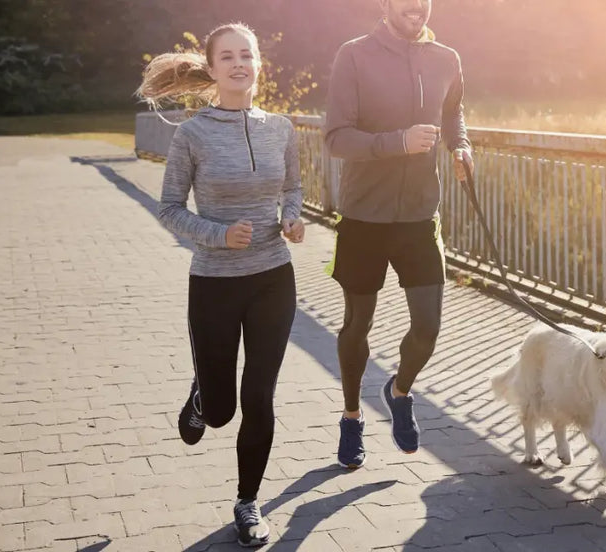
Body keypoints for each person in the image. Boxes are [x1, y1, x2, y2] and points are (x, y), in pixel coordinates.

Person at [135, 21, 304, 548]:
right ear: (211, 69)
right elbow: (167, 209)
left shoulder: (280, 127)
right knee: (223, 410)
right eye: (227, 56)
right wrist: (217, 234)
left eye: (247, 55)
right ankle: (203, 399)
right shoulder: (192, 134)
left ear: (258, 64)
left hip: (273, 279)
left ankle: (247, 502)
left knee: (259, 397)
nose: (239, 64)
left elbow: (294, 187)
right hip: (214, 283)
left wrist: (294, 218)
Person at [321, 0, 472, 469]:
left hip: (419, 217)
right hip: (364, 217)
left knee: (428, 327)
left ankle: (399, 390)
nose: (415, 6)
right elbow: (335, 138)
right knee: (357, 325)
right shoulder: (354, 55)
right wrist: (397, 143)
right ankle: (351, 417)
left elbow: (453, 112)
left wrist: (461, 144)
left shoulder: (446, 57)